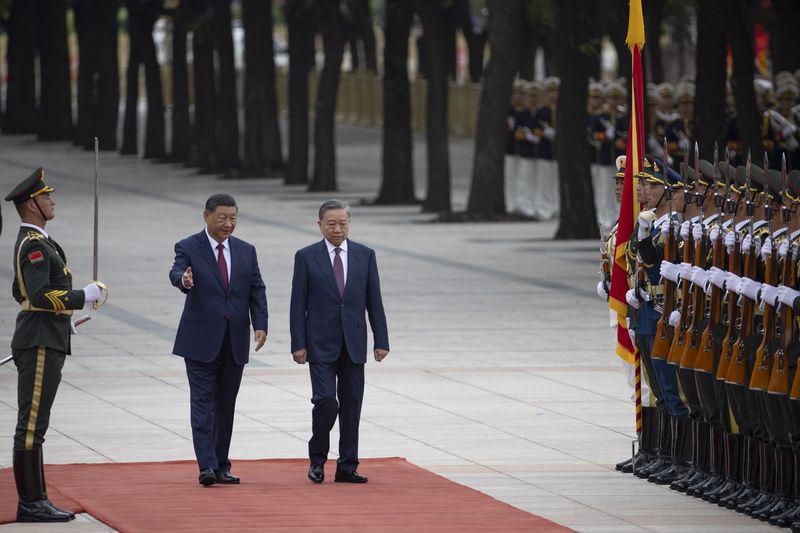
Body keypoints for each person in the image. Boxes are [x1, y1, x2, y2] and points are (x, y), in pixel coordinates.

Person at [5, 167, 106, 522]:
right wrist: (82, 296)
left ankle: (38, 499)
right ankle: (30, 504)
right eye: (46, 196)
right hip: (39, 342)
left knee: (37, 423)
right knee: (32, 424)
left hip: (45, 335)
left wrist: (63, 321)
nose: (52, 201)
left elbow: (21, 293)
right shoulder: (34, 245)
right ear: (32, 205)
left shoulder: (39, 242)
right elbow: (37, 293)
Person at [169, 193, 268, 486]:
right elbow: (177, 271)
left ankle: (222, 464)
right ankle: (206, 466)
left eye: (233, 218)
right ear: (206, 216)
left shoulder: (246, 250)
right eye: (222, 217)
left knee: (226, 406)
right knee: (202, 403)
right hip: (200, 340)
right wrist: (183, 280)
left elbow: (256, 289)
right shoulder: (188, 246)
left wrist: (260, 325)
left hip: (234, 341)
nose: (228, 224)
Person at [290, 199, 389, 484]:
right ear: (319, 225)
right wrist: (298, 343)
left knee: (352, 405)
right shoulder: (306, 256)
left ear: (349, 224)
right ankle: (317, 459)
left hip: (354, 342)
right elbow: (298, 305)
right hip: (319, 343)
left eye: (342, 223)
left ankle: (347, 465)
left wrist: (381, 340)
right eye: (331, 224)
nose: (337, 229)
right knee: (325, 401)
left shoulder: (365, 255)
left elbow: (375, 301)